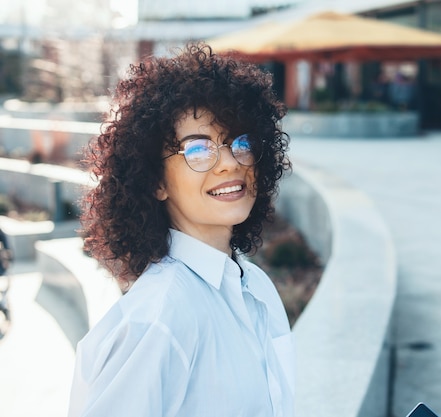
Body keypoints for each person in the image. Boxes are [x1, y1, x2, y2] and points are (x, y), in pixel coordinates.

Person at [68, 43, 295, 417]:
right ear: (156, 180)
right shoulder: (159, 317)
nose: (228, 163)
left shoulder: (255, 288)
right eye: (198, 149)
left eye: (240, 142)